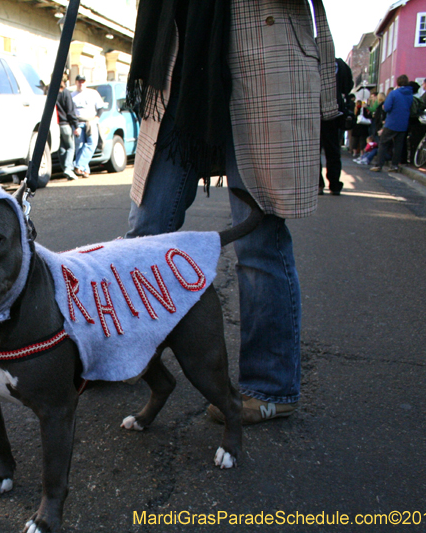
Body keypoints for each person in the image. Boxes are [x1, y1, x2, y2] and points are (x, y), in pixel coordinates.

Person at [125, 0, 340, 424]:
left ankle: (271, 386)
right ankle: (125, 356)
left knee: (259, 237)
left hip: (264, 47)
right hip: (178, 60)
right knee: (145, 231)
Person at [319, 57, 353, 195]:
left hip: (314, 108)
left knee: (313, 150)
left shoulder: (311, 59)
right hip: (334, 109)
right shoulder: (339, 64)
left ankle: (318, 185)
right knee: (333, 149)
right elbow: (347, 87)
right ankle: (334, 184)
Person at [371, 74, 412, 173]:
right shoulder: (410, 94)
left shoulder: (394, 93)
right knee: (398, 145)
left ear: (397, 82)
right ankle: (394, 165)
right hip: (403, 123)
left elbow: (387, 107)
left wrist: (385, 108)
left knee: (383, 143)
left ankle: (379, 165)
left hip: (392, 122)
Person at [70, 75, 105, 178]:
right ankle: (85, 170)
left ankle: (78, 165)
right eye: (79, 82)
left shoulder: (92, 93)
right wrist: (74, 125)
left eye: (83, 81)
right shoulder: (72, 95)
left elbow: (100, 107)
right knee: (80, 146)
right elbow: (70, 111)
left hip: (91, 122)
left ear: (85, 82)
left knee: (92, 144)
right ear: (76, 82)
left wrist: (97, 118)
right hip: (78, 123)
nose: (81, 84)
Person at [55, 77, 79, 180]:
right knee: (70, 147)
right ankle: (68, 169)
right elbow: (70, 111)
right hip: (65, 124)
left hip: (55, 125)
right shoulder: (65, 93)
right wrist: (76, 125)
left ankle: (64, 168)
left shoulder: (51, 93)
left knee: (61, 149)